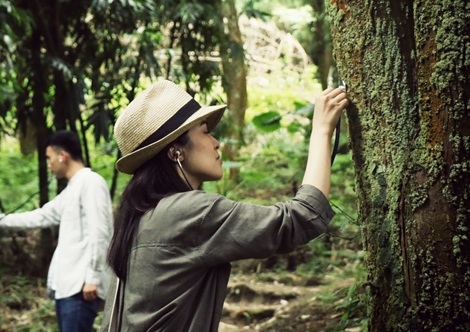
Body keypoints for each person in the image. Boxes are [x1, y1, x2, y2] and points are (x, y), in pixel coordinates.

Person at [100, 80, 348, 332]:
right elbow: (300, 217)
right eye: (206, 131)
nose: (216, 142)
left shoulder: (139, 218)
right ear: (176, 152)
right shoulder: (188, 212)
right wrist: (321, 131)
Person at [0, 130, 114, 332]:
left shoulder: (91, 183)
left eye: (49, 158)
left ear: (63, 156)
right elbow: (39, 217)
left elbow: (101, 232)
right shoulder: (71, 190)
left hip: (81, 287)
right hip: (68, 287)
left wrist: (93, 278)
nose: (49, 164)